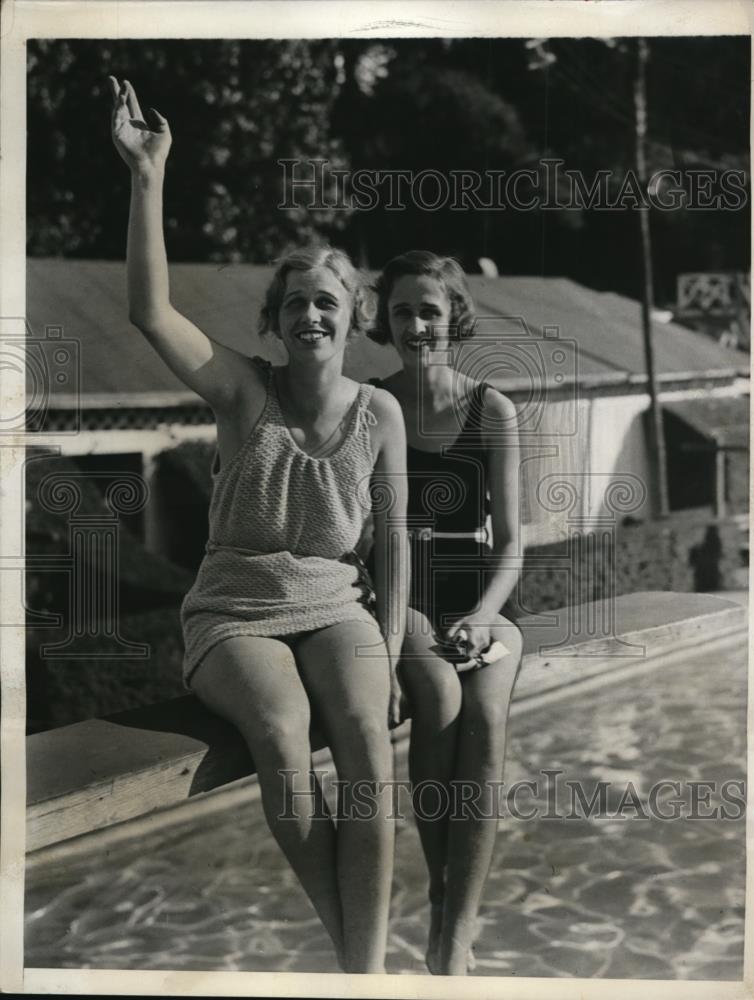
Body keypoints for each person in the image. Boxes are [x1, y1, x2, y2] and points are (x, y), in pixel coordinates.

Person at [108, 77, 408, 974]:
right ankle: (364, 969)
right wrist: (147, 175)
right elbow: (149, 312)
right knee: (282, 738)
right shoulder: (245, 390)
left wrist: (387, 649)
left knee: (365, 745)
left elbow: (392, 545)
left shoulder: (380, 415)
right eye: (293, 305)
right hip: (236, 610)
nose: (310, 315)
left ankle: (368, 969)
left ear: (354, 313)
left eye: (327, 300)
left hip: (337, 605)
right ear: (273, 324)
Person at [368, 250, 524, 976]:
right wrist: (397, 619)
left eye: (429, 310)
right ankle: (439, 895)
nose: (416, 325)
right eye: (402, 311)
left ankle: (458, 930)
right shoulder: (372, 405)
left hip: (484, 597)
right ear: (386, 320)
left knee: (486, 717)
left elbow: (516, 541)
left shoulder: (491, 409)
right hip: (405, 595)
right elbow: (365, 532)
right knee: (439, 700)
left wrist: (489, 614)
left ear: (453, 316)